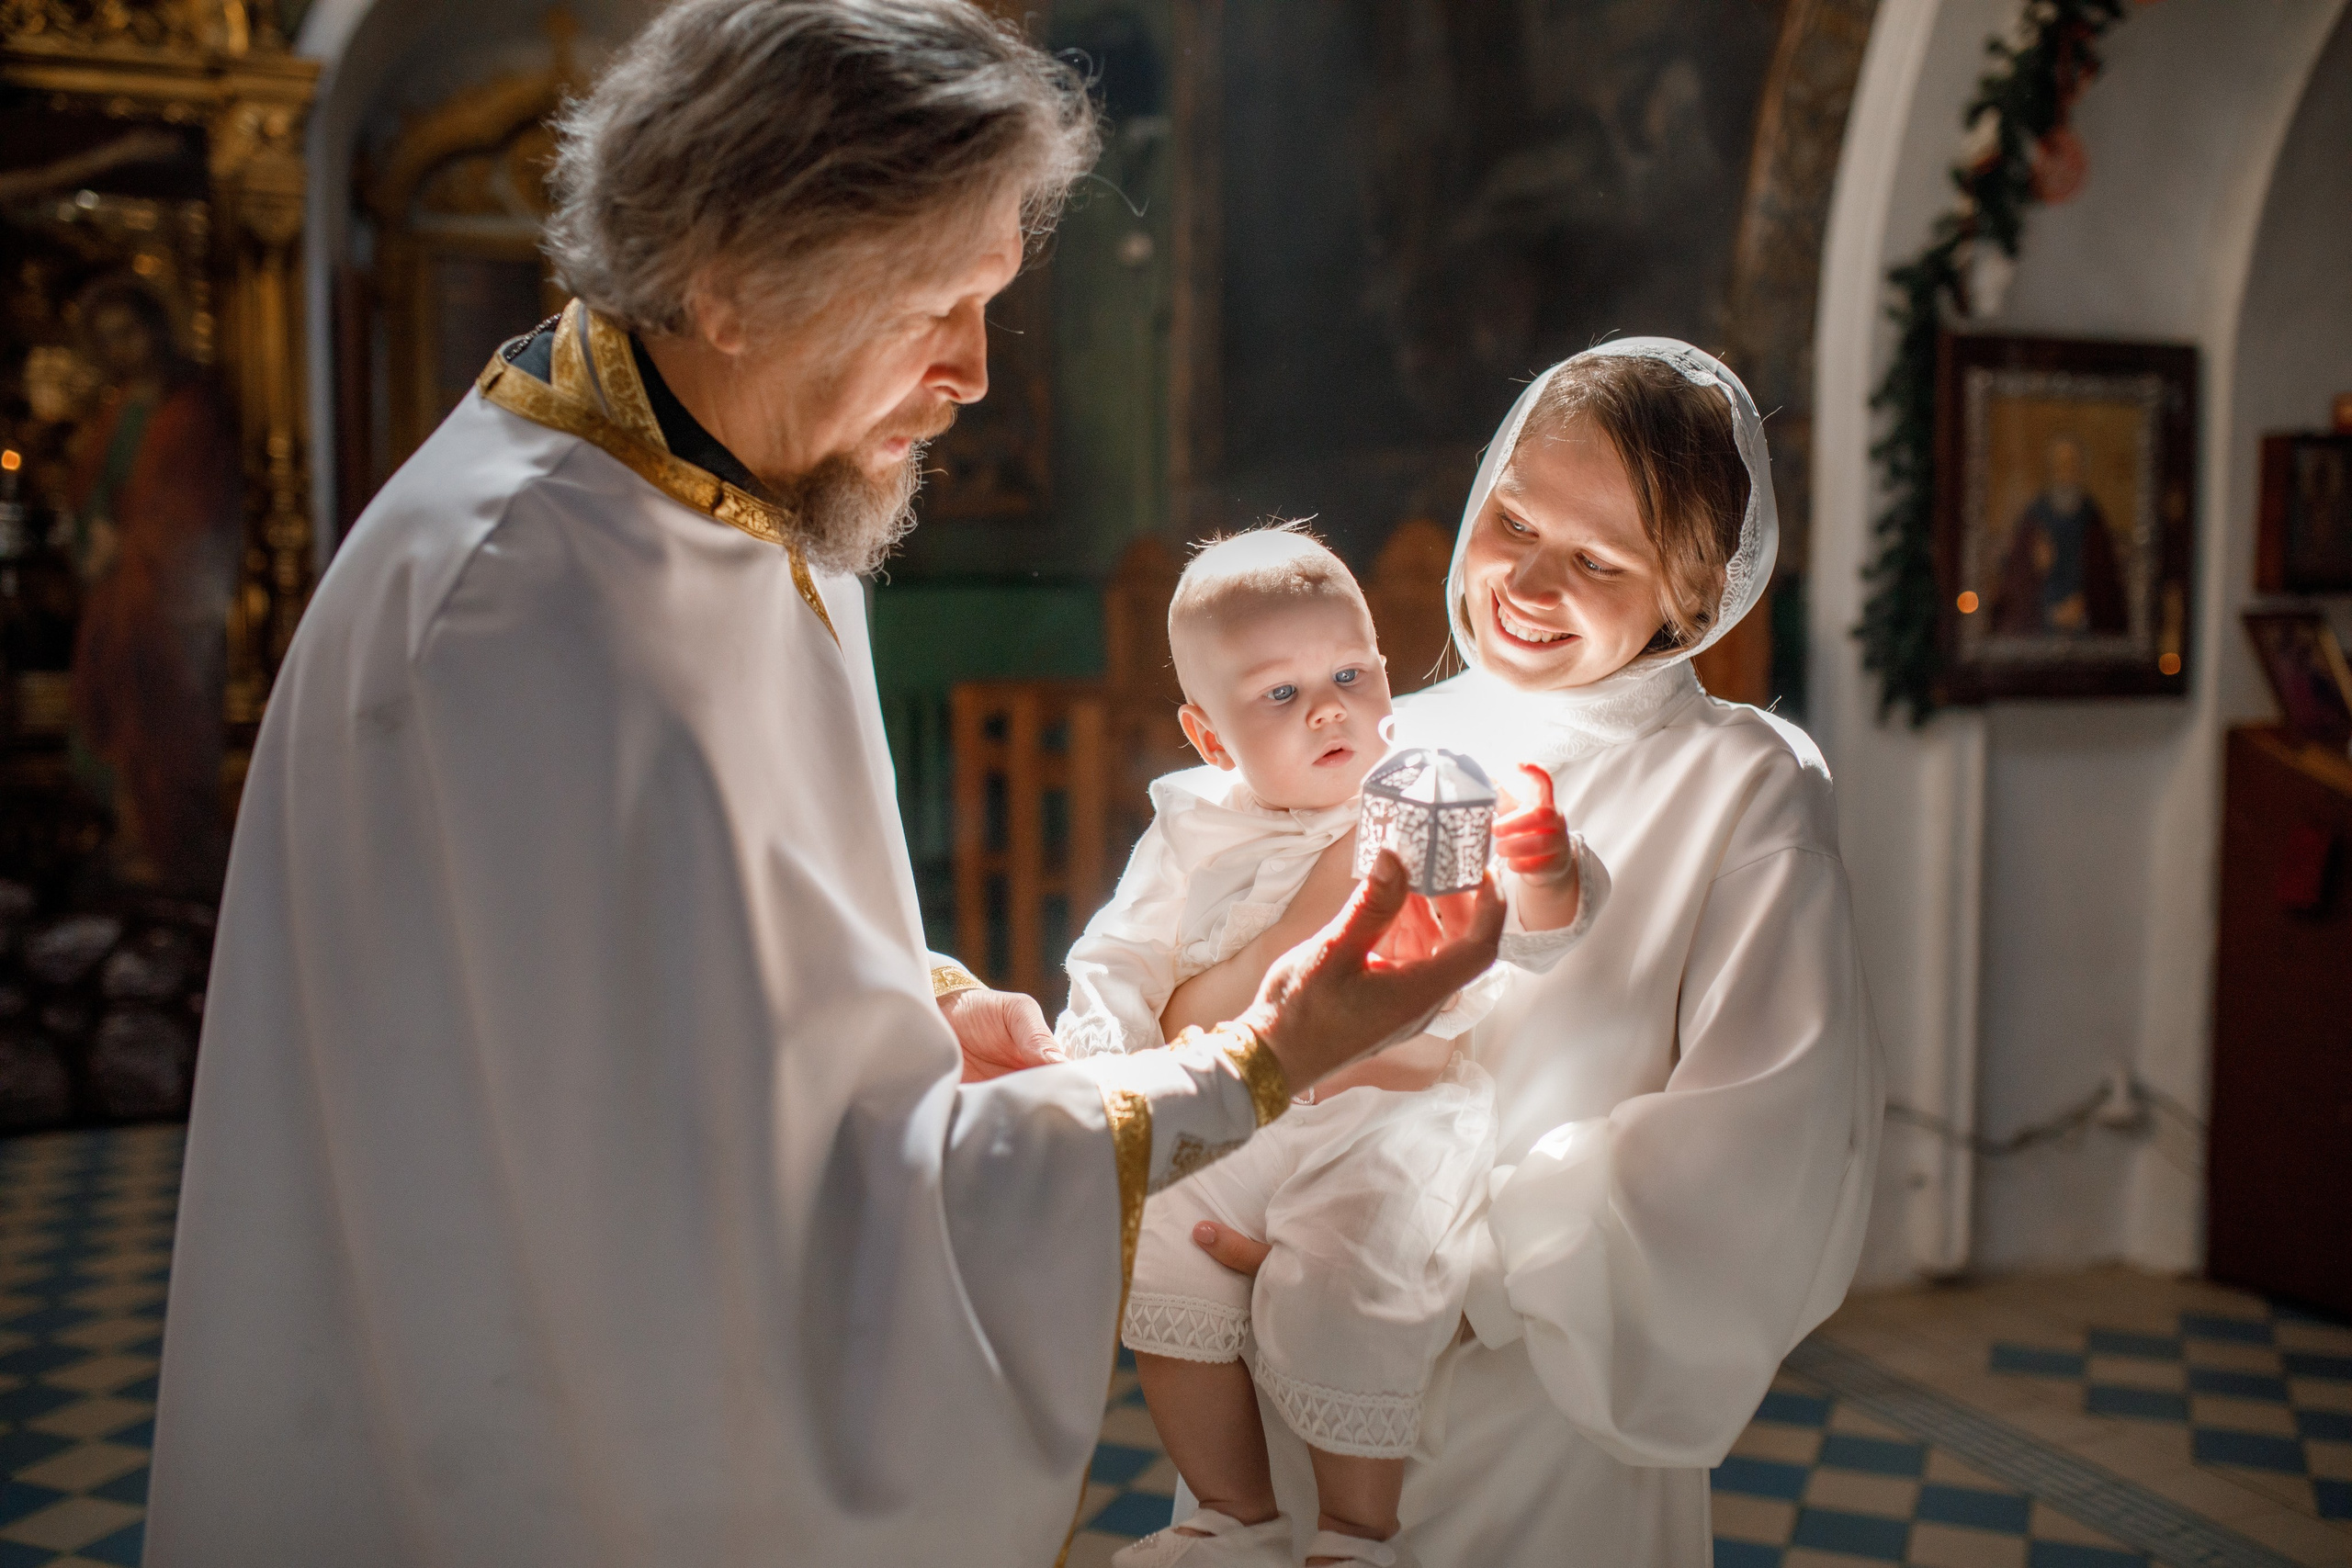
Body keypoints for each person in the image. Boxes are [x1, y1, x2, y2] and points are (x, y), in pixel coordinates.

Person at [141, 6, 1503, 1565]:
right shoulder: (532, 619)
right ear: (730, 279)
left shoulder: (742, 491)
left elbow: (710, 957)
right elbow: (712, 1231)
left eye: (993, 298)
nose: (978, 371)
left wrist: (910, 996)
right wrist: (1265, 1054)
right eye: (939, 303)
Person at [1176, 340, 1883, 1565]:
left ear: (1696, 595)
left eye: (1599, 559)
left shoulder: (1744, 787)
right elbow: (1197, 995)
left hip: (1533, 1399)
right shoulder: (1381, 734)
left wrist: (1459, 1268)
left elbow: (1768, 1128)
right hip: (1295, 1340)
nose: (1527, 578)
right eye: (1514, 518)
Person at [1054, 527, 1601, 1567]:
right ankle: (1232, 1514)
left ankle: (1356, 1534)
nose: (1327, 708)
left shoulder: (1430, 793)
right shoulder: (1189, 830)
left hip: (1390, 1116)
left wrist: (1547, 869)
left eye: (1348, 673)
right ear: (1209, 737)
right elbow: (1118, 958)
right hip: (1241, 1111)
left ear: (1385, 673)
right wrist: (1104, 1070)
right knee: (1159, 1256)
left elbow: (1532, 936)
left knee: (1360, 1268)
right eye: (1278, 694)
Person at [62, 276, 240, 892]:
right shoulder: (119, 415)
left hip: (169, 604)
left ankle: (173, 853)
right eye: (109, 339)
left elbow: (194, 512)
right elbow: (94, 495)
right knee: (119, 717)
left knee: (168, 728)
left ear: (156, 329)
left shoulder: (191, 411)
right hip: (120, 597)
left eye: (130, 332)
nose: (124, 349)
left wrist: (130, 541)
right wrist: (98, 539)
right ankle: (133, 844)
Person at [1989, 433, 2128, 637]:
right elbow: (2016, 586)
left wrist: (2083, 608)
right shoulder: (2034, 519)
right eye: (2060, 464)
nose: (2066, 471)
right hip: (2039, 629)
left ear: (2081, 469)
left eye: (2072, 464)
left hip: (2086, 630)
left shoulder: (2092, 520)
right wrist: (2046, 604)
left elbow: (2105, 586)